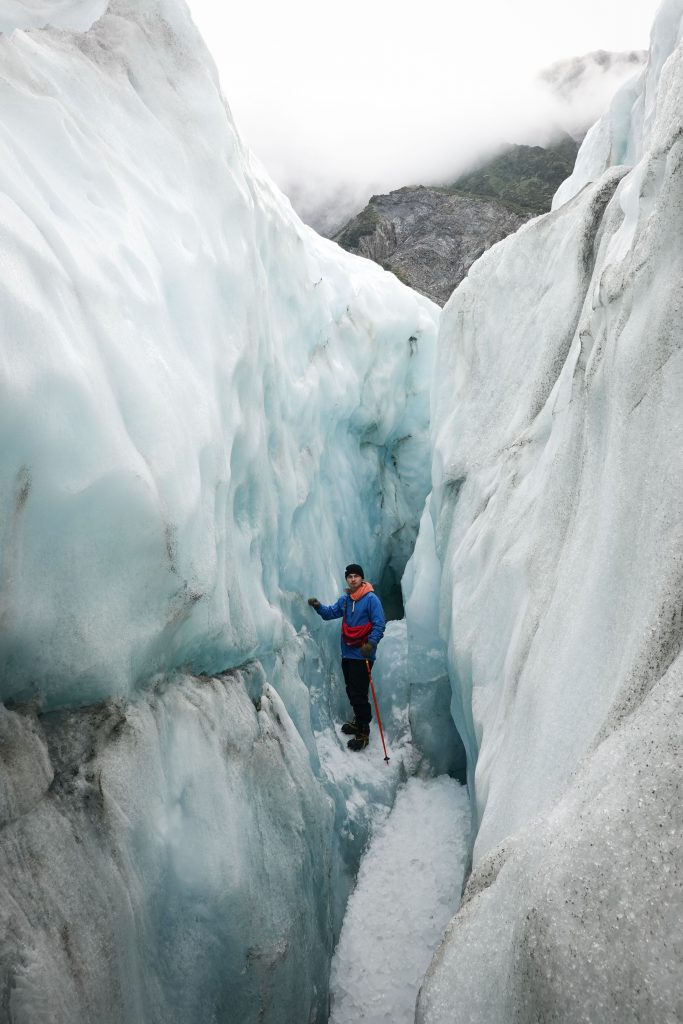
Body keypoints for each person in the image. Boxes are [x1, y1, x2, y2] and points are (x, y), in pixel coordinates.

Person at [308, 563, 386, 751]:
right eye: (349, 576)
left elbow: (379, 624)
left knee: (359, 693)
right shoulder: (346, 600)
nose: (353, 579)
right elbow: (330, 613)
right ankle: (359, 721)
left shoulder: (371, 599)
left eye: (356, 576)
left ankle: (364, 730)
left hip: (363, 654)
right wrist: (318, 607)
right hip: (348, 652)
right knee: (351, 690)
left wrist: (371, 644)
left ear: (361, 578)